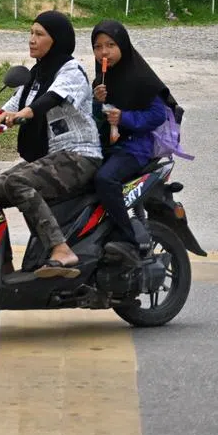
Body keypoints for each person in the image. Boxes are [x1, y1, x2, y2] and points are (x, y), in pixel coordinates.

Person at [0, 10, 103, 278]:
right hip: (50, 158)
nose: (31, 39)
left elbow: (50, 99)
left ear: (57, 40)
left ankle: (61, 249)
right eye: (31, 33)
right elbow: (7, 109)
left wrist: (22, 115)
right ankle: (2, 264)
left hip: (79, 156)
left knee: (17, 182)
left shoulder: (71, 72)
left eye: (39, 34)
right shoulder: (36, 75)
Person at [90, 19, 172, 259]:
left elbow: (158, 115)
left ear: (123, 46)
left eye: (110, 45)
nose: (104, 52)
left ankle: (128, 238)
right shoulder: (101, 81)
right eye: (98, 47)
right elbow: (96, 118)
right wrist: (96, 101)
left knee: (105, 179)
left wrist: (125, 118)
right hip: (108, 145)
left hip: (135, 146)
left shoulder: (140, 78)